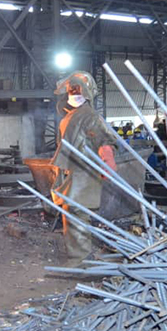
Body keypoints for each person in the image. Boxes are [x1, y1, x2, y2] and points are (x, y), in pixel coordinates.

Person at [51, 71, 118, 264]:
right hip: (72, 173)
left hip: (83, 174)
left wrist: (107, 158)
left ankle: (79, 262)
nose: (73, 93)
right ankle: (79, 257)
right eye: (71, 89)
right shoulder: (69, 117)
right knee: (73, 214)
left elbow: (104, 140)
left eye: (76, 89)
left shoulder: (89, 116)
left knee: (77, 215)